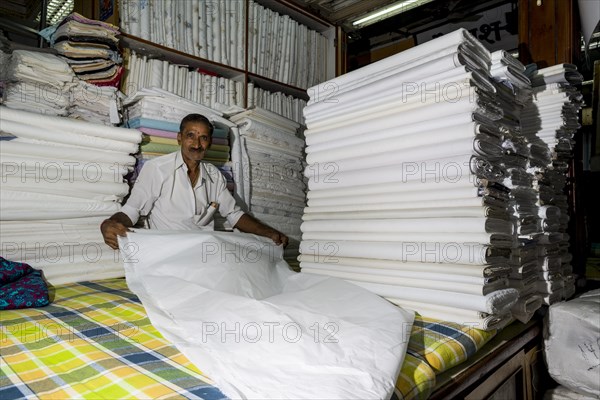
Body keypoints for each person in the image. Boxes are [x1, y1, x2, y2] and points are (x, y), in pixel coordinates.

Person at [101, 113, 288, 250]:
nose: (197, 144)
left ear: (210, 143)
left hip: (205, 253)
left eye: (203, 138)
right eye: (191, 136)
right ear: (179, 138)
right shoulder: (157, 169)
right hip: (168, 253)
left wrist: (269, 233)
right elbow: (132, 210)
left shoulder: (214, 176)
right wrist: (110, 223)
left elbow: (234, 214)